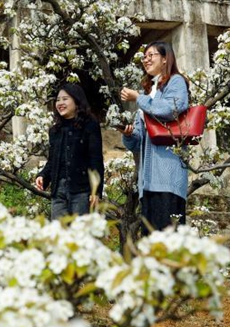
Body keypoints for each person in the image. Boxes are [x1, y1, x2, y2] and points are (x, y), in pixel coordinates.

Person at [120, 41, 190, 234]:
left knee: (169, 242)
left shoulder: (176, 81)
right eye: (144, 56)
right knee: (151, 244)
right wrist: (128, 134)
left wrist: (138, 99)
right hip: (148, 182)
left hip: (168, 177)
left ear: (166, 58)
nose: (146, 59)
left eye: (151, 55)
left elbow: (171, 109)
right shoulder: (149, 92)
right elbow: (137, 142)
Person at [35, 83, 104, 220]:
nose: (60, 103)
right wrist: (43, 175)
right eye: (58, 99)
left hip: (81, 191)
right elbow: (52, 161)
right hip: (58, 192)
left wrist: (96, 191)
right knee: (59, 236)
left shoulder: (90, 125)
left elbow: (95, 160)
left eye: (65, 99)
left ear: (77, 100)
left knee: (80, 236)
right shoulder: (55, 130)